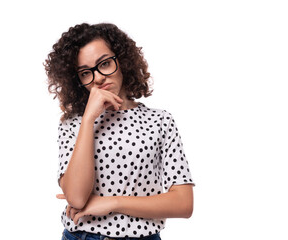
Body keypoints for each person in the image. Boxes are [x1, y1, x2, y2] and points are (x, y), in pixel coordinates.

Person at [44, 22, 195, 240]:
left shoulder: (160, 120)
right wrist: (88, 120)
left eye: (104, 64)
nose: (97, 78)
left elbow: (183, 203)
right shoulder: (73, 124)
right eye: (86, 73)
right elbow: (76, 198)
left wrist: (111, 203)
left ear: (122, 61)